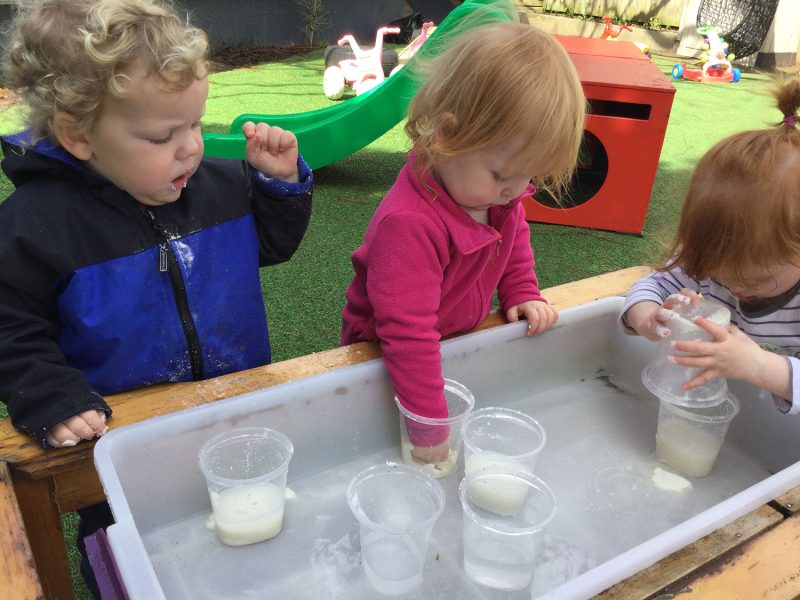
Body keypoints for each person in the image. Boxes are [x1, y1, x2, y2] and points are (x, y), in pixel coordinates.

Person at [0, 0, 311, 594]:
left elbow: (271, 247)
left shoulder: (215, 187)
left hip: (232, 416)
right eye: (162, 134)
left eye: (196, 123)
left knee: (248, 548)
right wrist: (48, 394)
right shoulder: (33, 229)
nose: (191, 147)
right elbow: (9, 326)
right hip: (122, 449)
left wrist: (279, 187)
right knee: (136, 561)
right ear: (78, 134)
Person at [340, 20, 586, 465]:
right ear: (448, 135)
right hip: (382, 359)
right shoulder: (409, 224)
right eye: (502, 174)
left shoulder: (493, 194)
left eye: (528, 174)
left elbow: (513, 233)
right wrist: (431, 434)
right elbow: (409, 338)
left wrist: (521, 289)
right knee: (375, 450)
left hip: (452, 339)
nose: (516, 190)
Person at [621, 78, 800, 410]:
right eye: (719, 276)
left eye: (756, 280)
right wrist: (649, 318)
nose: (732, 286)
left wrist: (760, 366)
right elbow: (653, 284)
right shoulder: (712, 258)